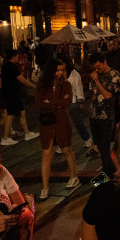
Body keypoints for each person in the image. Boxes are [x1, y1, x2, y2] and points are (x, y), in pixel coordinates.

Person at [35, 59, 80, 200]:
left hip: (62, 121)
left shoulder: (65, 84)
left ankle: (74, 177)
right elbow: (39, 103)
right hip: (47, 122)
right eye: (58, 70)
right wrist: (56, 104)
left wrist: (50, 103)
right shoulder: (42, 85)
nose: (60, 72)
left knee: (67, 149)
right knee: (47, 153)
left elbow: (67, 101)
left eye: (62, 70)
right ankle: (45, 187)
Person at [88, 51, 120, 178]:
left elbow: (108, 95)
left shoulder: (114, 75)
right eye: (95, 67)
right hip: (93, 115)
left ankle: (108, 175)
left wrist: (96, 80)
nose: (97, 69)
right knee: (100, 148)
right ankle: (108, 172)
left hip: (106, 117)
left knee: (105, 147)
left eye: (98, 66)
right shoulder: (94, 75)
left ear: (104, 62)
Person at [0, 50, 39, 146]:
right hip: (12, 94)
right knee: (11, 116)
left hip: (12, 93)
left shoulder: (5, 66)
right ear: (14, 56)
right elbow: (22, 79)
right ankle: (5, 138)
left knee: (22, 112)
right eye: (18, 56)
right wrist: (34, 86)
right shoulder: (11, 66)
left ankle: (27, 133)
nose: (19, 58)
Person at [65, 58, 92, 149]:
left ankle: (87, 138)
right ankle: (64, 144)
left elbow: (79, 87)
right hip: (63, 102)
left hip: (73, 101)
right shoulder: (59, 74)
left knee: (78, 122)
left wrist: (80, 100)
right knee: (64, 123)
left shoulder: (74, 73)